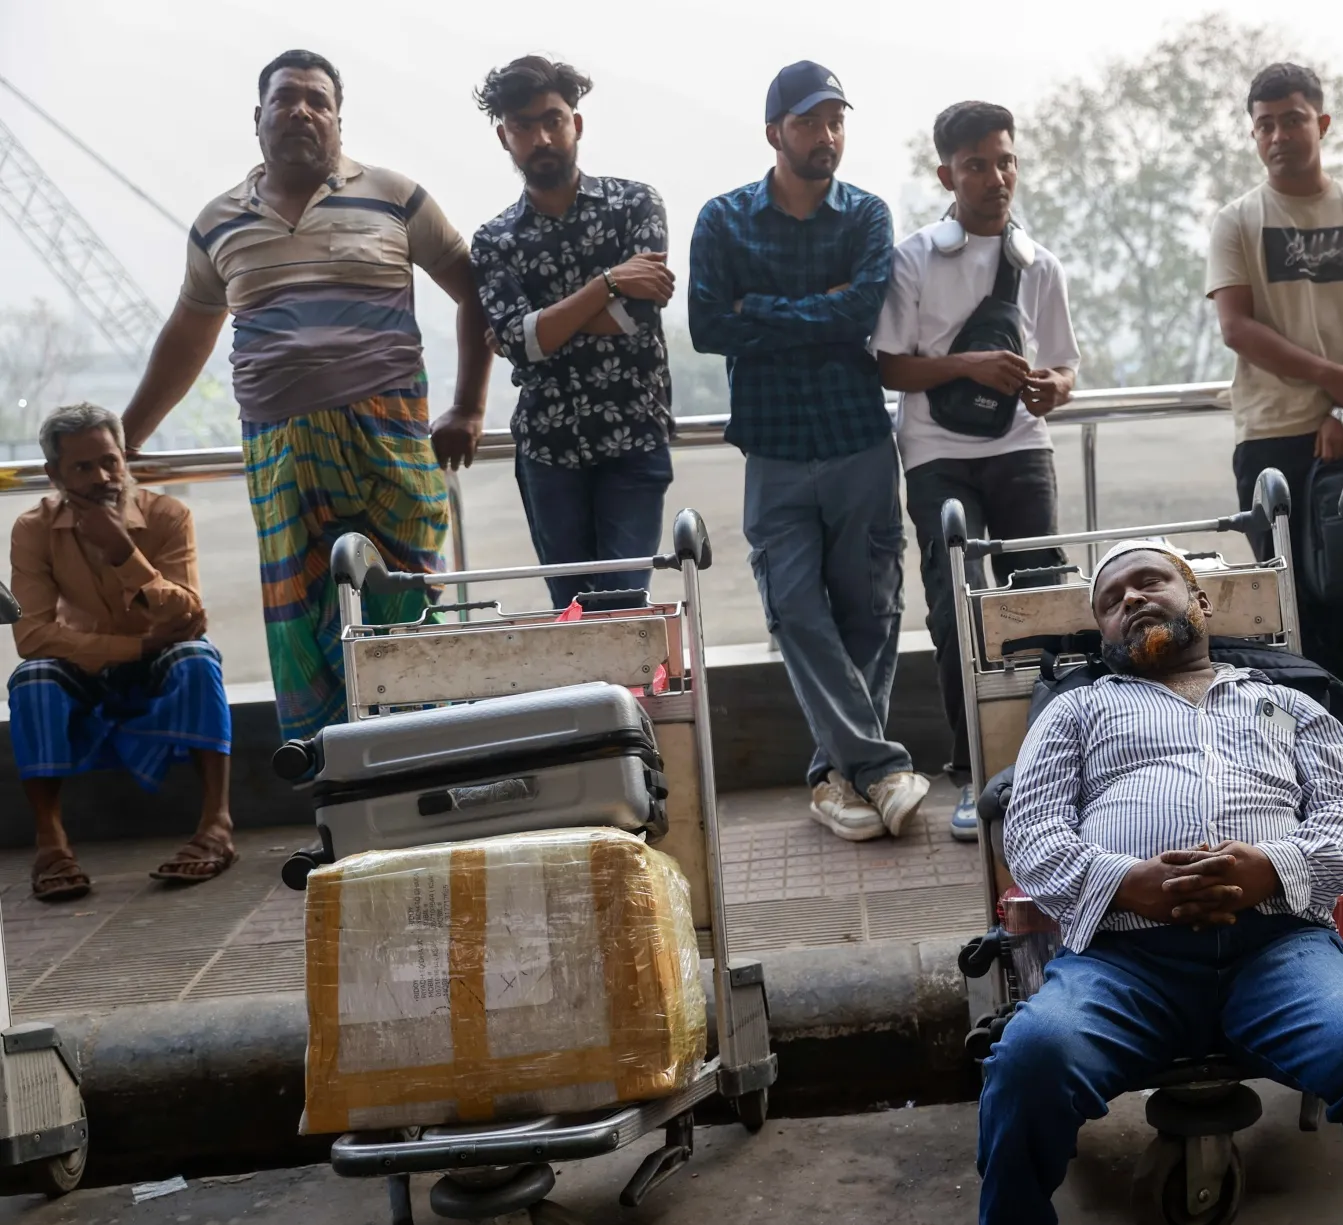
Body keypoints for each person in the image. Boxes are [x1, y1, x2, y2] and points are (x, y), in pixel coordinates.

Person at [957, 538, 1343, 1225]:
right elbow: (1033, 836)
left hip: (1277, 949)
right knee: (1032, 1058)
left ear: (1199, 601)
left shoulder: (1290, 704)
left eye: (1152, 583)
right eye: (1112, 599)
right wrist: (1132, 881)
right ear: (1103, 631)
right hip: (1122, 957)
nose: (1133, 600)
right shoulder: (1077, 708)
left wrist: (1267, 869)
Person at [120, 49, 491, 742]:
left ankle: (432, 762)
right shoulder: (218, 223)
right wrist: (127, 437)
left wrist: (470, 406)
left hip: (391, 444)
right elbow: (188, 334)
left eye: (317, 100)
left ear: (338, 121)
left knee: (406, 605)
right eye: (285, 98)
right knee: (300, 618)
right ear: (256, 118)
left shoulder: (394, 195)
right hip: (280, 451)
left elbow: (474, 290)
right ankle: (335, 780)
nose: (301, 110)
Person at [688, 61, 929, 842]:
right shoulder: (723, 220)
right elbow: (707, 326)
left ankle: (836, 777)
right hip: (776, 447)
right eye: (809, 123)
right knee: (793, 609)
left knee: (873, 610)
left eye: (836, 121)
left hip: (858, 437)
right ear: (774, 133)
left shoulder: (866, 215)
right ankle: (882, 766)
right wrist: (813, 313)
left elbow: (860, 311)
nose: (827, 137)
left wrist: (758, 307)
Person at [875, 100, 1079, 842]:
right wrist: (970, 365)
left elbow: (1064, 367)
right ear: (946, 175)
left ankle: (1053, 768)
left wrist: (1053, 389)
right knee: (952, 608)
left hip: (1022, 447)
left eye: (1005, 160)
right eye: (976, 165)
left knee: (1044, 599)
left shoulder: (1041, 264)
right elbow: (891, 364)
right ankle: (971, 772)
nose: (995, 177)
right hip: (936, 454)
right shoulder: (916, 257)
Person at [1207, 61, 1343, 799]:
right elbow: (1238, 328)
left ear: (1321, 123)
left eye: (1293, 118)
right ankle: (1308, 754)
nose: (1279, 134)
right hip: (1269, 435)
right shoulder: (1238, 221)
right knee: (1287, 602)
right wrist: (1334, 383)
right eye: (1264, 122)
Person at [470, 56, 676, 612]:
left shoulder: (635, 205)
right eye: (523, 126)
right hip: (549, 453)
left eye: (552, 120)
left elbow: (638, 317)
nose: (541, 137)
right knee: (574, 619)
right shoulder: (493, 241)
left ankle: (629, 704)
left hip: (633, 440)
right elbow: (521, 341)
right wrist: (607, 282)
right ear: (503, 137)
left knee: (623, 608)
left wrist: (541, 325)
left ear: (576, 125)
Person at [9, 405, 235, 903]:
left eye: (110, 461)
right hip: (89, 666)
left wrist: (123, 554)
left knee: (198, 659)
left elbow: (188, 616)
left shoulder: (167, 516)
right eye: (83, 468)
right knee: (33, 678)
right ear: (54, 475)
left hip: (160, 663)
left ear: (125, 458)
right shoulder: (33, 529)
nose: (103, 478)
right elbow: (33, 637)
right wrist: (135, 644)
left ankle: (217, 825)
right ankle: (51, 842)